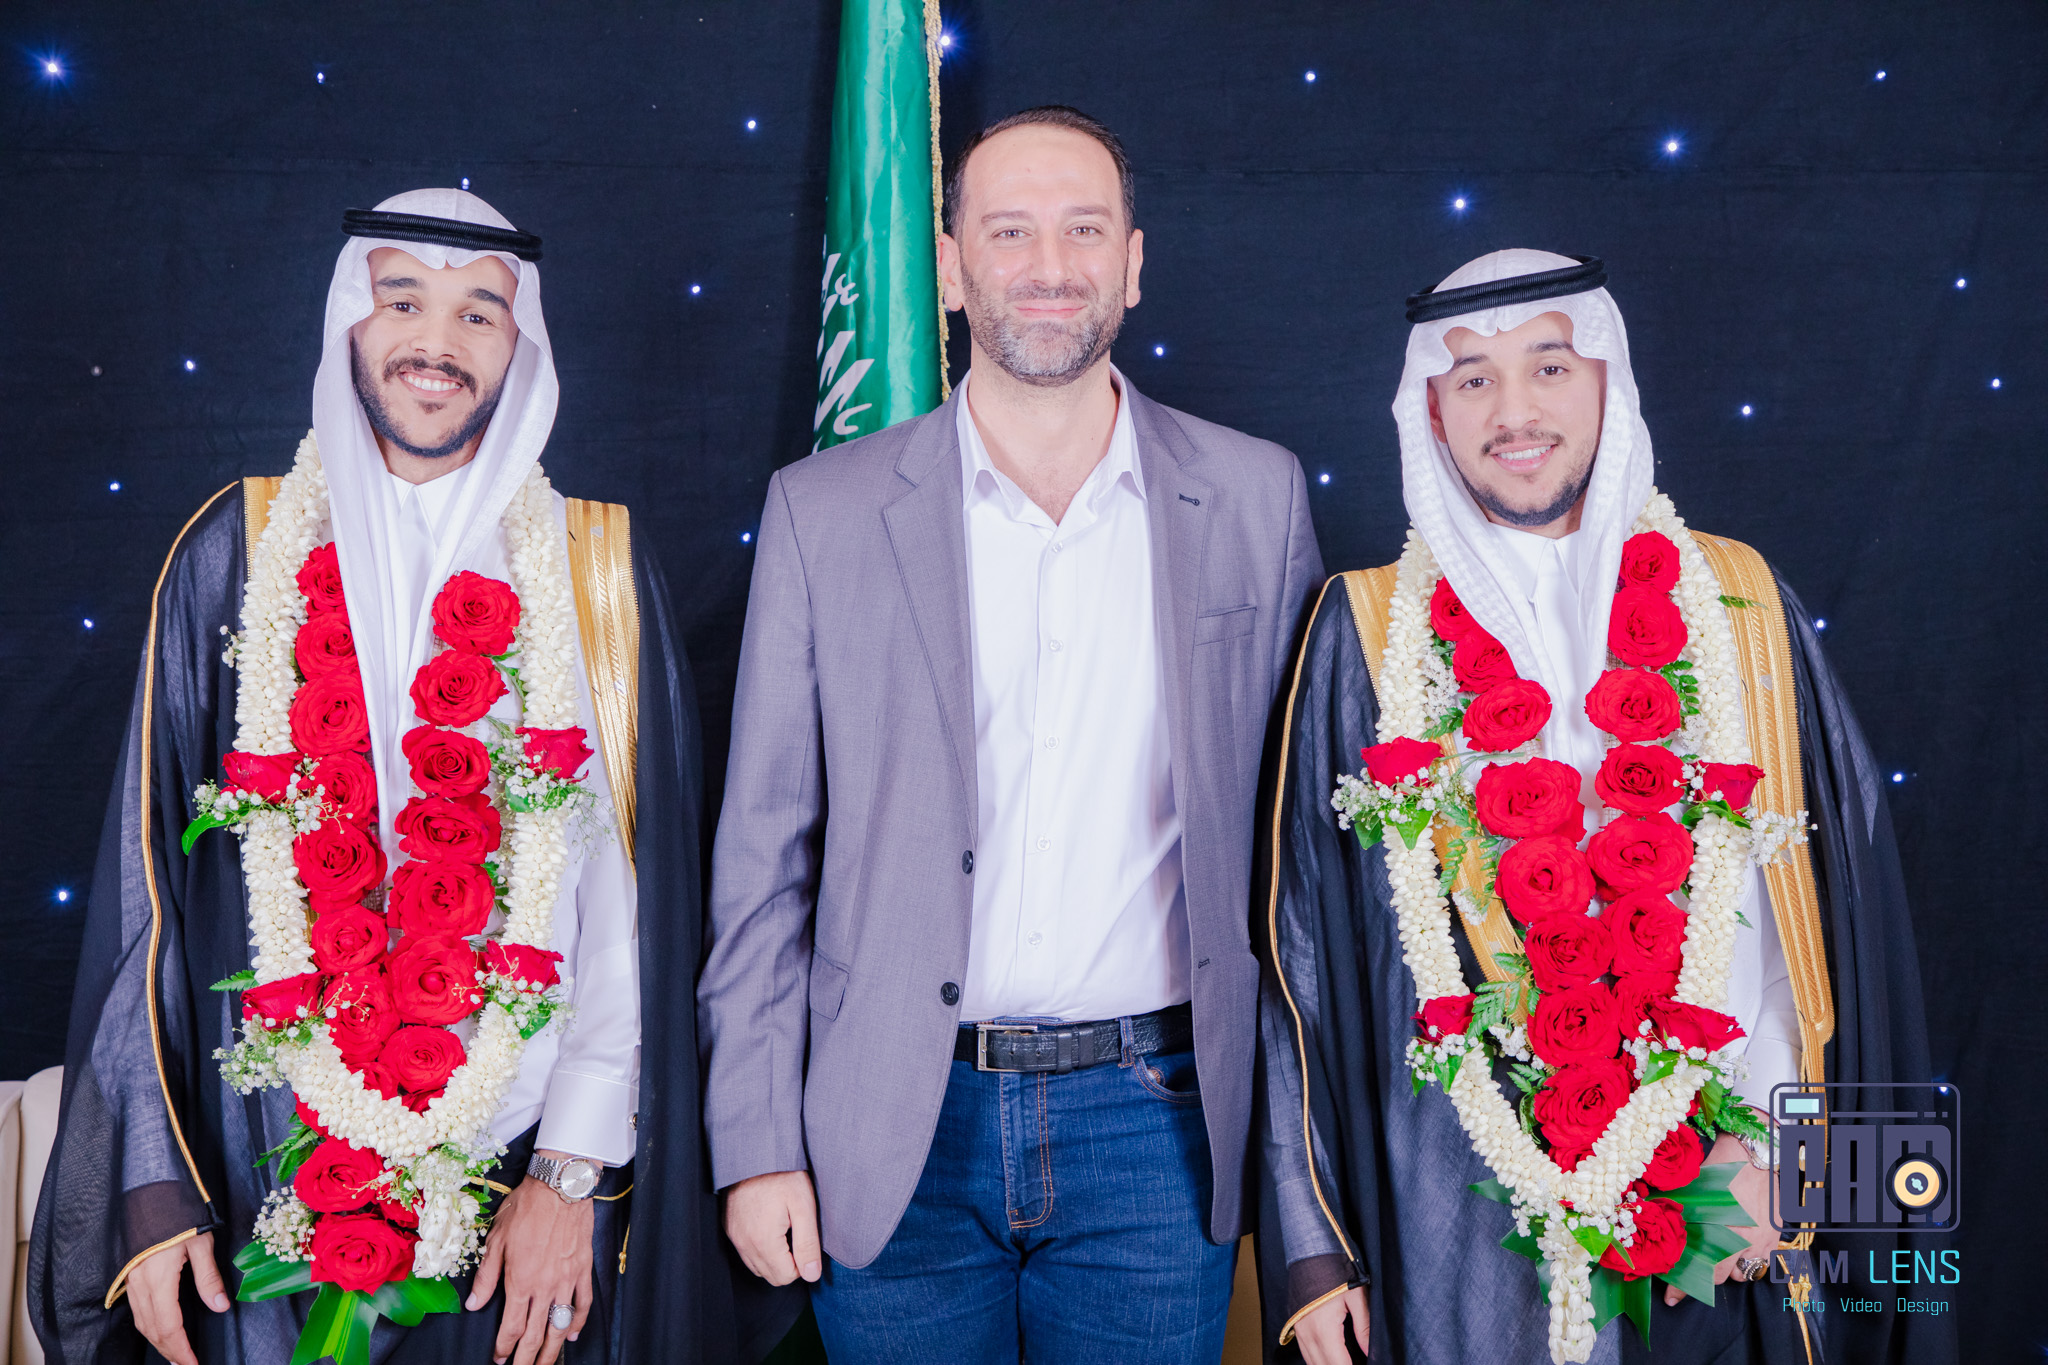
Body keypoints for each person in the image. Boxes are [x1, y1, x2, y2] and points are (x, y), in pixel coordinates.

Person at [28, 189, 788, 1365]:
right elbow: (148, 902)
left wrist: (571, 1174)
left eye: (478, 312)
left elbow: (628, 913)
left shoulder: (591, 570)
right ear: (350, 319)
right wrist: (153, 1185)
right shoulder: (235, 552)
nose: (437, 341)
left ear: (519, 345)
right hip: (263, 1170)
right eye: (403, 302)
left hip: (520, 1198)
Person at [702, 106, 1323, 1363]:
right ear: (949, 267)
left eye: (1083, 230)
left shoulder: (1254, 497)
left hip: (1157, 1125)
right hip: (891, 1119)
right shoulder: (821, 513)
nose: (1049, 265)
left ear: (1132, 263)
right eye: (1008, 231)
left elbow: (1297, 859)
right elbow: (763, 857)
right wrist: (755, 1141)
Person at [1258, 250, 1956, 1364]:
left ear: (1606, 384)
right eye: (1474, 379)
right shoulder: (1365, 633)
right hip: (1463, 1225)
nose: (1514, 412)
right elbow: (1295, 956)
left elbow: (1828, 928)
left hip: (1723, 1208)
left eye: (1549, 365)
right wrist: (1314, 1250)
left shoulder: (1737, 599)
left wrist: (1785, 1169)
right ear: (1430, 412)